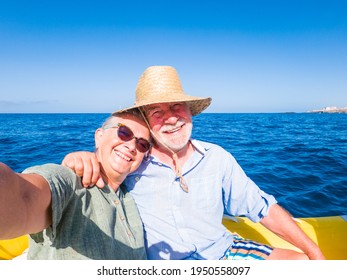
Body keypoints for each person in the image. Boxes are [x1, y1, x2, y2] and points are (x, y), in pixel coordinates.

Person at [62, 66, 325, 260]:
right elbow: (104, 164)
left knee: (300, 264)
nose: (171, 119)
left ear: (190, 112)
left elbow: (261, 207)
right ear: (147, 123)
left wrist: (315, 253)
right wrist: (80, 158)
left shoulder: (217, 157)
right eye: (157, 112)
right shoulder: (133, 160)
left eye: (177, 107)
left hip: (224, 252)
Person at [0, 110, 152, 259]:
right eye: (124, 132)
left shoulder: (132, 195)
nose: (132, 146)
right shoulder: (71, 182)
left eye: (142, 144)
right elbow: (23, 195)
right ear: (99, 136)